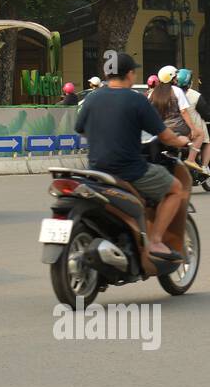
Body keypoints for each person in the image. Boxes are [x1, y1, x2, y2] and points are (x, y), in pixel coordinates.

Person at [74, 53, 191, 262]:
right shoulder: (137, 100)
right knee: (175, 189)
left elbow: (81, 129)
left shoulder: (92, 99)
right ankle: (155, 241)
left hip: (96, 170)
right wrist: (181, 141)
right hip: (129, 171)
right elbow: (165, 135)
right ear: (129, 74)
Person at [179, 68, 210, 167]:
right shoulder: (195, 95)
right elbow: (206, 113)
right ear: (189, 83)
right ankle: (204, 167)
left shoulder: (169, 93)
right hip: (191, 129)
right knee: (208, 142)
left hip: (172, 128)